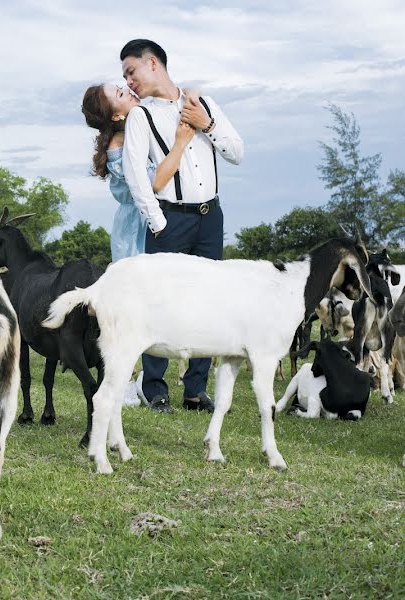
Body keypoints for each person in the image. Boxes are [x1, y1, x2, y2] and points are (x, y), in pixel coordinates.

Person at [120, 39, 244, 413]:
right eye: (124, 77)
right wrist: (157, 223)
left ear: (153, 63)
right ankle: (154, 387)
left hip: (210, 217)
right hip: (169, 218)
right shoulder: (140, 116)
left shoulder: (202, 104)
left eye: (131, 72)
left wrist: (207, 125)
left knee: (209, 301)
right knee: (159, 301)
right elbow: (135, 176)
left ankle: (196, 390)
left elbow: (237, 152)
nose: (129, 82)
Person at [82, 83, 195, 261]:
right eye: (120, 94)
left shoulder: (136, 128)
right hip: (138, 225)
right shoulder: (119, 145)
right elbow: (154, 183)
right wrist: (180, 143)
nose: (128, 91)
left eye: (122, 88)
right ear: (116, 115)